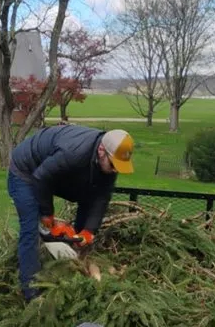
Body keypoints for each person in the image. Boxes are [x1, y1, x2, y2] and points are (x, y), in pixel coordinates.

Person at [8, 125, 135, 300]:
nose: (115, 171)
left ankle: (75, 267)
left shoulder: (107, 161)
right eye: (113, 165)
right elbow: (41, 177)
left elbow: (101, 197)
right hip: (27, 171)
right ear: (101, 151)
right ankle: (31, 291)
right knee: (30, 229)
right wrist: (47, 214)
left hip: (54, 172)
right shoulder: (75, 152)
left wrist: (89, 231)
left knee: (89, 196)